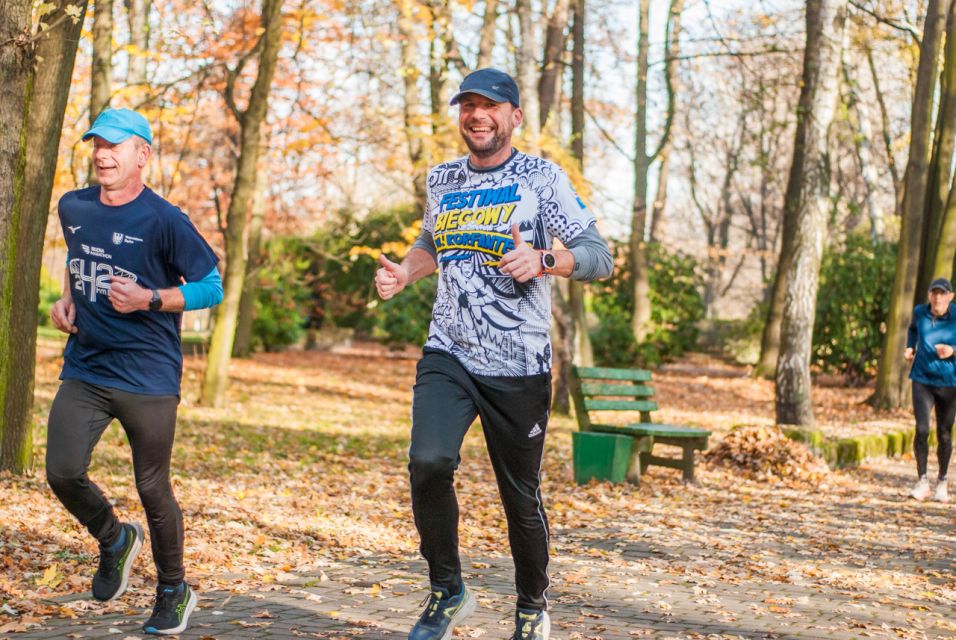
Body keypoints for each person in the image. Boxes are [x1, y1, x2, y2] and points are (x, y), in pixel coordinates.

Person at [374, 68, 613, 640]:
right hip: (449, 351)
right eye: (468, 106)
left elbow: (599, 257)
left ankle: (532, 604)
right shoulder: (443, 178)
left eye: (490, 105)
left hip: (519, 365)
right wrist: (408, 270)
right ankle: (447, 590)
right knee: (428, 462)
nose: (477, 115)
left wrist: (546, 261)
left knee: (520, 498)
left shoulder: (541, 177)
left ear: (515, 117)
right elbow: (435, 240)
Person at [46, 108, 222, 635]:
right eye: (97, 143)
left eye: (115, 145)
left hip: (148, 375)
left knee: (152, 487)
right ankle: (115, 538)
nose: (103, 153)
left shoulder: (165, 219)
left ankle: (174, 587)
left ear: (142, 154)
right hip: (87, 366)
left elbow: (210, 285)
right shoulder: (73, 205)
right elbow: (79, 266)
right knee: (62, 470)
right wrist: (65, 300)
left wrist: (151, 297)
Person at [905, 277, 956, 503]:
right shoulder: (920, 312)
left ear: (950, 297)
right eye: (934, 293)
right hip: (922, 379)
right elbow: (913, 330)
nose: (937, 297)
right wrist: (909, 347)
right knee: (922, 429)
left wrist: (953, 350)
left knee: (944, 434)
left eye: (942, 293)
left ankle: (942, 481)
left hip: (949, 383)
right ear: (929, 295)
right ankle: (922, 480)